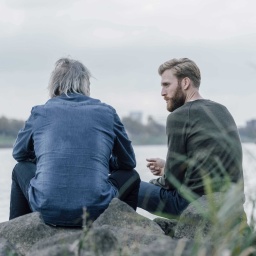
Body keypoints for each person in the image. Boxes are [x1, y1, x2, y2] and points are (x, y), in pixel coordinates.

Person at [10, 57, 140, 227]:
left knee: (20, 168)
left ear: (55, 85)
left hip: (45, 208)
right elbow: (128, 162)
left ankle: (15, 231)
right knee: (132, 177)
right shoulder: (107, 112)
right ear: (86, 84)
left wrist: (45, 158)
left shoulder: (40, 112)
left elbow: (19, 154)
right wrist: (99, 161)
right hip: (97, 210)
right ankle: (125, 231)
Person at [138, 58, 244, 218]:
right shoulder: (222, 110)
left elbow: (170, 182)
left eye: (166, 85)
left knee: (123, 183)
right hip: (230, 206)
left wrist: (155, 183)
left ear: (185, 82)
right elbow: (206, 169)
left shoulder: (179, 116)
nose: (162, 93)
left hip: (194, 207)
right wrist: (167, 169)